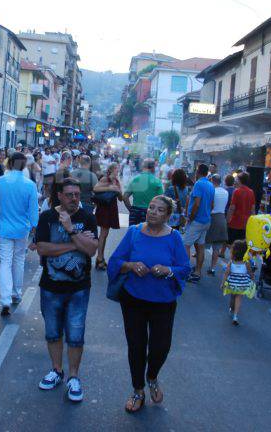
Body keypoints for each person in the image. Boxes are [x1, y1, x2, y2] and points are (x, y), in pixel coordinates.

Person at [107, 195, 190, 413]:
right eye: (151, 207)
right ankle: (138, 391)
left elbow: (184, 268)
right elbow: (115, 261)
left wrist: (168, 270)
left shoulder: (174, 238)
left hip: (163, 302)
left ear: (168, 216)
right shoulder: (134, 232)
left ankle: (152, 376)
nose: (152, 212)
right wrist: (131, 265)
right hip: (133, 299)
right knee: (135, 346)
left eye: (159, 210)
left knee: (160, 347)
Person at [35, 178, 99, 403]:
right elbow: (42, 248)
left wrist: (71, 230)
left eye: (77, 194)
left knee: (75, 335)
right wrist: (76, 244)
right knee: (53, 332)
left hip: (78, 289)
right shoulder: (47, 218)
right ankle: (56, 370)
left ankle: (74, 377)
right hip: (51, 287)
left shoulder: (87, 217)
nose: (74, 199)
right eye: (69, 194)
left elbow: (91, 250)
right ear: (59, 196)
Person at [0, 152, 39, 316]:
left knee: (5, 262)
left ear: (10, 163)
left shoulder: (0, 181)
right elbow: (33, 210)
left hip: (4, 226)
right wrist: (35, 227)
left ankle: (5, 299)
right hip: (22, 227)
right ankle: (16, 293)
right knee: (19, 260)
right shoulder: (29, 185)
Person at [183, 164, 215, 283]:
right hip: (206, 220)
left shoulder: (199, 184)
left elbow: (196, 203)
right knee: (200, 246)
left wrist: (191, 217)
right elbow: (212, 205)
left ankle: (185, 271)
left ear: (198, 172)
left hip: (197, 220)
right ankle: (197, 272)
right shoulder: (211, 185)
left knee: (186, 245)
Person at [93, 163, 122, 271]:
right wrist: (111, 188)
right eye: (116, 169)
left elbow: (121, 198)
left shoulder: (117, 181)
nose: (118, 171)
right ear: (111, 169)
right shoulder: (105, 179)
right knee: (103, 234)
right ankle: (99, 258)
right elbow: (95, 189)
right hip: (104, 208)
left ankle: (101, 257)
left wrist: (118, 191)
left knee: (105, 234)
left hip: (112, 208)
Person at [222, 240, 255, 326]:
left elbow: (226, 273)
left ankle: (231, 308)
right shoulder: (246, 263)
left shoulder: (231, 263)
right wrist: (252, 278)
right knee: (238, 298)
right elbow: (250, 273)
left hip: (232, 284)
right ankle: (235, 316)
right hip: (242, 285)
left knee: (233, 296)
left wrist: (223, 283)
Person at [123, 159, 164, 226]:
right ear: (153, 168)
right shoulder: (157, 181)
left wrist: (131, 210)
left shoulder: (134, 179)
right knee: (148, 234)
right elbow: (161, 200)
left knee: (133, 234)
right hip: (150, 212)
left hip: (135, 211)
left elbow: (125, 197)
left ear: (143, 167)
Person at [205, 174, 229, 275]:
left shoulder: (212, 191)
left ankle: (198, 266)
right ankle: (212, 268)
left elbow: (210, 205)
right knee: (217, 247)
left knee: (202, 243)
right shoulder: (225, 192)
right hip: (222, 218)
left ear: (212, 181)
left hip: (212, 218)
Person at [226, 172, 255, 244]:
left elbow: (232, 208)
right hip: (245, 223)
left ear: (240, 180)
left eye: (237, 179)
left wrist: (227, 219)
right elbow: (253, 209)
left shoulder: (237, 191)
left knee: (231, 243)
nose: (236, 181)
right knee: (241, 244)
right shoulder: (251, 192)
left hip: (235, 222)